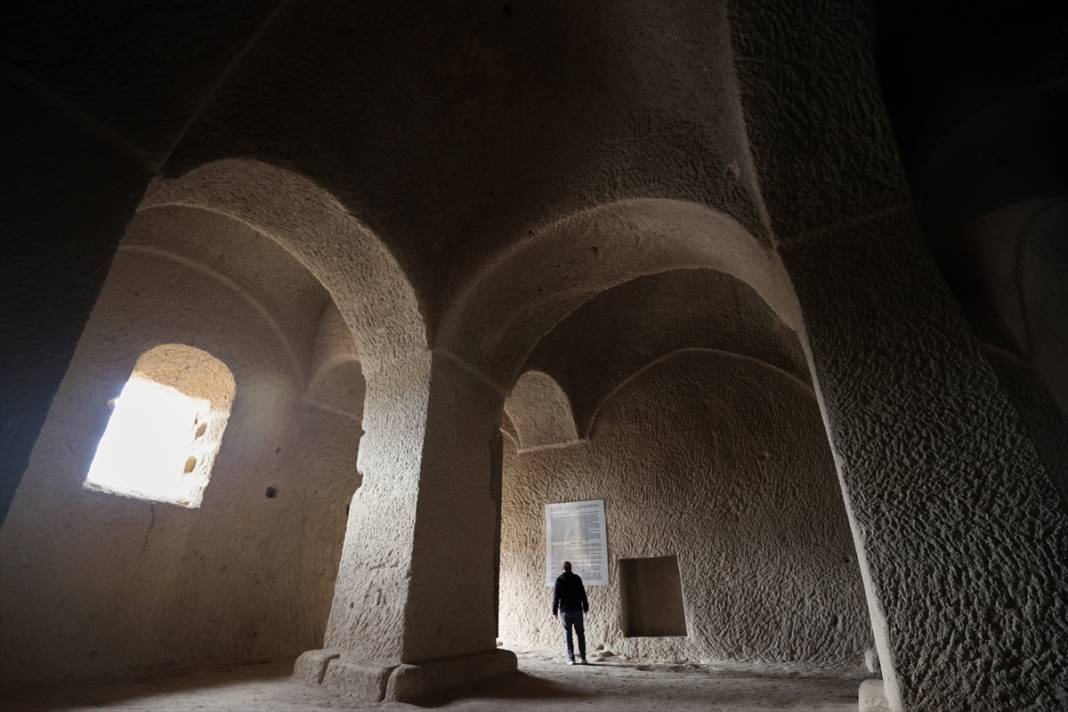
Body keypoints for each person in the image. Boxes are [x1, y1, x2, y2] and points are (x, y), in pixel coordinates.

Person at [551, 560, 589, 664]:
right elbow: (582, 594)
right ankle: (583, 658)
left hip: (565, 611)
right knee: (580, 634)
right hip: (577, 609)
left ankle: (571, 659)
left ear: (563, 569)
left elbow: (556, 597)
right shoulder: (577, 578)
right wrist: (585, 607)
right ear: (571, 568)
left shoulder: (559, 580)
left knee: (568, 634)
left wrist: (554, 611)